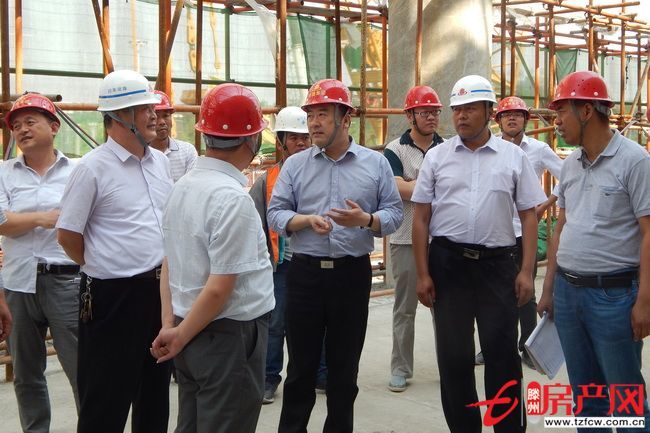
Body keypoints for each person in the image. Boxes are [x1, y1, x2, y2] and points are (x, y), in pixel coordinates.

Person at [268, 78, 403, 433]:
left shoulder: (375, 164)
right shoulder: (295, 166)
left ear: (345, 119)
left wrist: (367, 220)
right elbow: (275, 213)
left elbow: (394, 214)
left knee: (344, 371)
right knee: (300, 370)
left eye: (322, 114)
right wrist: (304, 221)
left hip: (351, 275)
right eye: (311, 115)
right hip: (305, 275)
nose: (313, 123)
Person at [411, 75, 545, 433]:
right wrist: (423, 274)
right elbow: (421, 218)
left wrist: (527, 271)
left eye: (470, 108)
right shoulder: (438, 157)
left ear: (489, 111)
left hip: (498, 266)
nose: (461, 116)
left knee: (502, 357)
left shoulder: (513, 157)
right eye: (457, 109)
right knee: (454, 358)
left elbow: (529, 216)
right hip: (448, 265)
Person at [150, 83, 275, 433]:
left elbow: (169, 262)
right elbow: (220, 287)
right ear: (251, 140)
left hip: (186, 324)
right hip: (227, 335)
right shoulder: (232, 198)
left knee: (190, 423)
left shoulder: (182, 186)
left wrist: (171, 325)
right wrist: (177, 334)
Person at [56, 70, 173, 433]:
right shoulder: (92, 169)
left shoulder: (160, 163)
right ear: (120, 116)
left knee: (155, 397)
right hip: (112, 298)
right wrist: (103, 263)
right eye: (144, 108)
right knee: (105, 400)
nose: (154, 115)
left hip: (160, 293)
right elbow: (68, 235)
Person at [538, 70, 650, 429]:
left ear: (586, 110)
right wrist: (549, 288)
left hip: (614, 297)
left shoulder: (635, 161)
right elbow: (561, 227)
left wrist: (645, 301)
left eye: (561, 112)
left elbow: (649, 233)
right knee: (586, 397)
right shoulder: (570, 164)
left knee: (627, 399)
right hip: (568, 295)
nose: (557, 121)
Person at [0, 93, 80, 433]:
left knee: (81, 368)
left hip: (67, 282)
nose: (22, 129)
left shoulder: (78, 171)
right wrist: (44, 218)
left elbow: (83, 221)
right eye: (16, 125)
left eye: (31, 122)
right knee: (26, 374)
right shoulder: (4, 172)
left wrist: (21, 219)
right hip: (19, 284)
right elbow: (2, 222)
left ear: (54, 126)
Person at [475, 95, 563, 369]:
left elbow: (568, 176)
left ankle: (528, 348)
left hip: (524, 231)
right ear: (498, 120)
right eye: (506, 115)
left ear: (526, 119)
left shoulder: (538, 149)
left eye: (517, 114)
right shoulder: (489, 148)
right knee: (491, 293)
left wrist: (545, 204)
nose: (511, 118)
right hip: (494, 232)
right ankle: (491, 347)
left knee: (525, 291)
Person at [249, 106, 327, 404]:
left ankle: (321, 373)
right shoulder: (267, 180)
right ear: (281, 141)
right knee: (275, 323)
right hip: (281, 265)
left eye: (304, 137)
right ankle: (269, 377)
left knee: (319, 320)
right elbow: (255, 224)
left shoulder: (323, 172)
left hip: (313, 261)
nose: (301, 143)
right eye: (293, 138)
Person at [383, 85, 444, 392]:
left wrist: (414, 184)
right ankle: (400, 368)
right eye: (425, 112)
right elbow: (396, 188)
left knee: (444, 309)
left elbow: (413, 189)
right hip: (405, 238)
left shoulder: (448, 147)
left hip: (442, 240)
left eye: (435, 112)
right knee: (405, 308)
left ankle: (449, 365)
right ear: (410, 116)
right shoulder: (395, 150)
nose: (431, 117)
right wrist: (433, 187)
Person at [150, 90, 198, 182]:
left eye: (166, 116)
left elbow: (191, 186)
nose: (162, 122)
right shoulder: (140, 154)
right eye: (156, 117)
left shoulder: (187, 151)